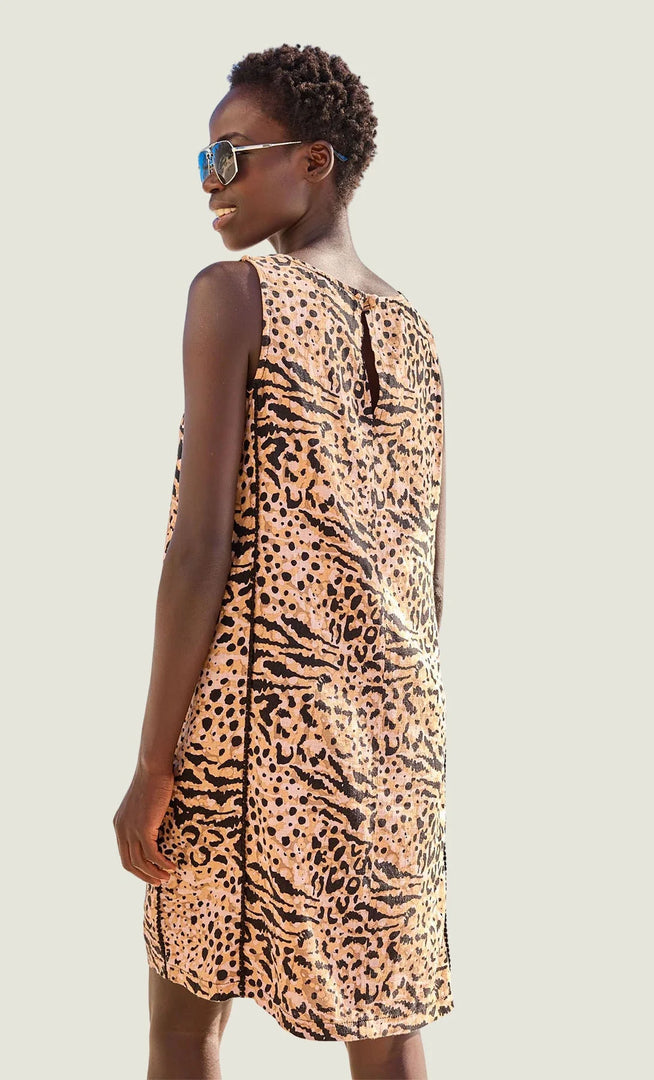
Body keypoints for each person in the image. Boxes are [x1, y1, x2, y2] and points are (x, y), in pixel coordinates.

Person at [113, 42, 452, 1080]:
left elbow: (199, 550)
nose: (209, 181)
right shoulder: (417, 334)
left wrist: (153, 765)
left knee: (184, 1026)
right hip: (398, 743)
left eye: (230, 155)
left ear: (314, 160)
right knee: (387, 1027)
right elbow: (428, 585)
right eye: (203, 160)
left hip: (247, 732)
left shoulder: (235, 294)